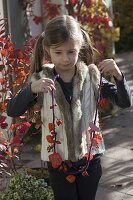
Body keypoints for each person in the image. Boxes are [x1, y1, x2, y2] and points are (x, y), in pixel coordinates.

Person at [7, 15, 131, 200]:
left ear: (79, 47)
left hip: (91, 159)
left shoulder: (92, 76)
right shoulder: (41, 81)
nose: (65, 58)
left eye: (71, 52)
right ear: (48, 50)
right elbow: (12, 110)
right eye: (58, 52)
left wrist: (119, 77)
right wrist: (31, 89)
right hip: (58, 162)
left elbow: (124, 102)